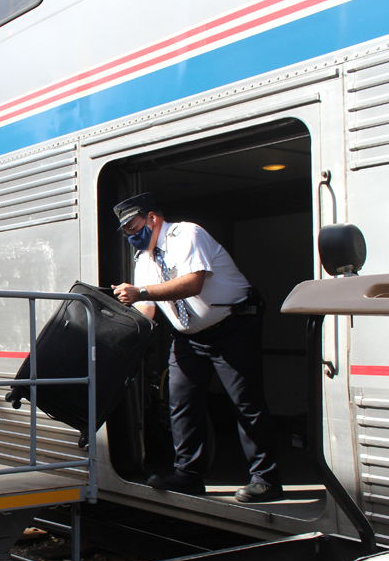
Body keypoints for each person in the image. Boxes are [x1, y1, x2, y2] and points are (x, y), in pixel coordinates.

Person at [111, 192, 282, 503]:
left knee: (246, 404)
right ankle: (188, 475)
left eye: (133, 227)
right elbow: (146, 311)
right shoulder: (143, 260)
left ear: (152, 217)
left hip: (233, 328)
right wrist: (116, 330)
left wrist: (141, 292)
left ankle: (266, 478)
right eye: (125, 231)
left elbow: (193, 283)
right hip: (189, 337)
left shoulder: (187, 234)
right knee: (182, 402)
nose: (130, 235)